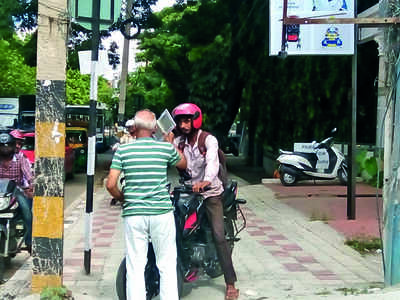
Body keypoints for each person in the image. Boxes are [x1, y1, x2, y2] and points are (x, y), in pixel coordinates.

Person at [106, 109, 187, 300]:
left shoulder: (123, 151)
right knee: (166, 264)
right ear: (154, 129)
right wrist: (170, 143)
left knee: (135, 265)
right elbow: (184, 164)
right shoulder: (164, 149)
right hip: (161, 213)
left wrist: (123, 198)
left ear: (134, 127)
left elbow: (111, 184)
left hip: (134, 215)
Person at [171, 103, 239, 300]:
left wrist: (206, 180)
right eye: (180, 121)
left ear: (195, 120)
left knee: (218, 235)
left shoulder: (208, 140)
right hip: (188, 191)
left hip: (210, 193)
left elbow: (212, 162)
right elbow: (166, 156)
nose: (183, 125)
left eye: (186, 120)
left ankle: (230, 283)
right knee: (177, 226)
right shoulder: (178, 141)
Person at [0, 132, 33, 254]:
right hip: (0, 194)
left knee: (28, 214)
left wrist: (31, 185)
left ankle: (29, 242)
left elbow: (29, 175)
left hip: (16, 191)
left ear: (13, 147)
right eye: (2, 146)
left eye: (8, 146)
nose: (5, 149)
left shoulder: (20, 158)